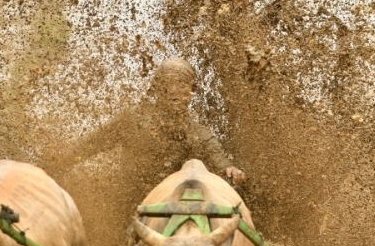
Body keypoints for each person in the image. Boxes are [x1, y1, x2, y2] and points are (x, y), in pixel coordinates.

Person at [47, 57, 246, 193]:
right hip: (126, 199)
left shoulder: (195, 132)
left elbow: (217, 158)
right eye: (167, 84)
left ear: (191, 91)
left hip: (170, 206)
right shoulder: (132, 119)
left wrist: (230, 169)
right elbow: (91, 145)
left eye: (182, 84)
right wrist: (57, 162)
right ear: (157, 88)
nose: (174, 91)